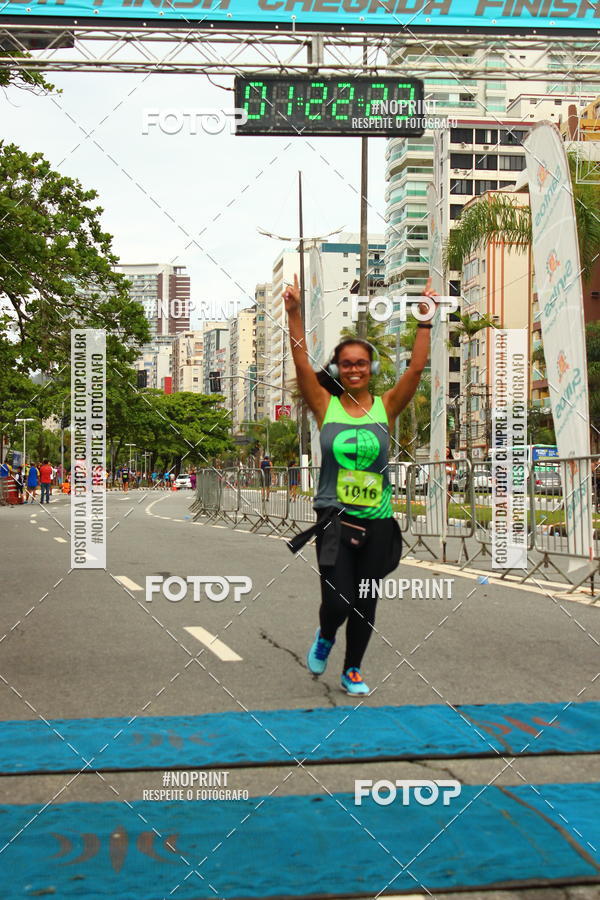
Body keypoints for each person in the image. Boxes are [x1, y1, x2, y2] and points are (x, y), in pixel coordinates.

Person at [285, 273, 436, 696]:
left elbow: (418, 367)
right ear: (338, 368)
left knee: (365, 599)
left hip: (378, 522)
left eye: (361, 363)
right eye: (347, 363)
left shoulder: (387, 406)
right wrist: (294, 312)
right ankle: (326, 634)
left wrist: (425, 318)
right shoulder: (324, 404)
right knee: (338, 601)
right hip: (335, 518)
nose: (354, 369)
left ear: (370, 369)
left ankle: (352, 669)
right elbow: (300, 360)